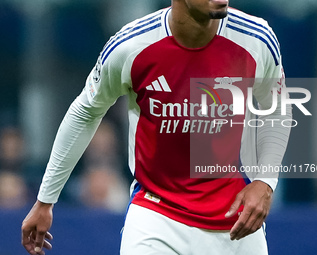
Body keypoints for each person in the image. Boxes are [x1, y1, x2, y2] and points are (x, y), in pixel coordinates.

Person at [21, 0, 292, 254]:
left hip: (236, 222)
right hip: (156, 217)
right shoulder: (131, 46)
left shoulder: (256, 38)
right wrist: (46, 200)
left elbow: (278, 107)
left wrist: (265, 182)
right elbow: (85, 112)